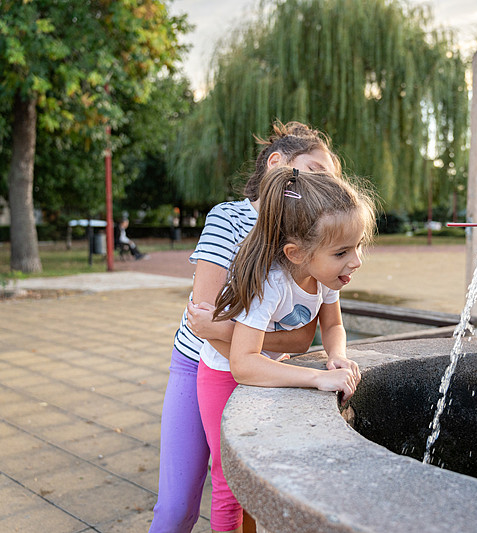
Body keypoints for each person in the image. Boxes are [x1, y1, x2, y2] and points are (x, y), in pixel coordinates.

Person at [149, 121, 343, 533]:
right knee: (178, 507)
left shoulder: (300, 233)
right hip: (201, 363)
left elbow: (302, 335)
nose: (325, 186)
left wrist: (258, 346)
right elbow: (202, 321)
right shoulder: (230, 219)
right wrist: (255, 346)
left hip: (257, 367)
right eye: (317, 171)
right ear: (278, 164)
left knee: (244, 487)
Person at [197, 165, 375, 533]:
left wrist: (336, 354)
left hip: (271, 370)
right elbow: (243, 365)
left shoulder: (325, 274)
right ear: (296, 253)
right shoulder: (271, 284)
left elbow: (333, 325)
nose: (356, 261)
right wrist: (315, 378)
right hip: (221, 376)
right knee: (232, 481)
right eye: (343, 251)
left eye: (357, 246)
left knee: (267, 471)